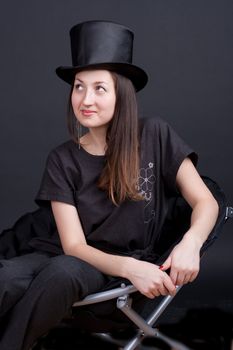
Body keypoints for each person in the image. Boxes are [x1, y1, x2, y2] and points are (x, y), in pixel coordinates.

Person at [0, 20, 219, 350]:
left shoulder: (155, 135)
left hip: (102, 272)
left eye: (99, 88)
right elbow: (73, 245)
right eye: (78, 86)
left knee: (63, 273)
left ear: (122, 93)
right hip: (68, 254)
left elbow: (207, 201)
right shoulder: (62, 158)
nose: (85, 99)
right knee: (5, 277)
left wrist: (190, 243)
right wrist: (133, 269)